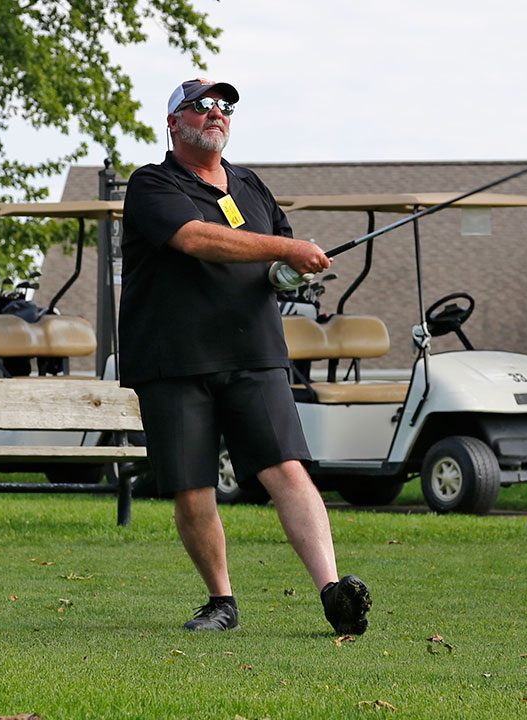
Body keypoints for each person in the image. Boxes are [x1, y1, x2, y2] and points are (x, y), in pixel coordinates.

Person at [118, 78, 372, 633]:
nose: (217, 114)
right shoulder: (151, 184)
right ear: (173, 122)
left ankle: (333, 592)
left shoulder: (251, 186)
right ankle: (222, 602)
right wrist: (287, 249)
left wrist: (288, 268)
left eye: (224, 106)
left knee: (286, 467)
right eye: (201, 106)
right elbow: (196, 239)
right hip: (174, 361)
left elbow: (273, 260)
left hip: (254, 352)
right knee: (193, 486)